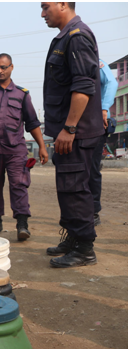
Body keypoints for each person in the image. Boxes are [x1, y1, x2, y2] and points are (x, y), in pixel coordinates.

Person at [41, 2, 102, 268]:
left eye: (45, 7)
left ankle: (85, 249)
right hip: (70, 133)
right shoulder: (66, 37)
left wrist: (69, 128)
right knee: (68, 189)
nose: (42, 14)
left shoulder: (77, 37)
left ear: (63, 4)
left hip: (76, 133)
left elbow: (83, 87)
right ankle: (74, 239)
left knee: (76, 189)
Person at [0, 53, 48, 241]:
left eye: (3, 67)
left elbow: (33, 123)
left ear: (12, 67)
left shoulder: (22, 94)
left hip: (15, 150)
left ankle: (22, 224)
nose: (0, 71)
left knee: (19, 185)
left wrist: (42, 147)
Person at [90, 59, 118, 226]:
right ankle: (77, 212)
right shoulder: (67, 62)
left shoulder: (96, 62)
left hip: (94, 123)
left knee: (92, 169)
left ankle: (93, 212)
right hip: (73, 125)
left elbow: (111, 82)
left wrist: (104, 108)